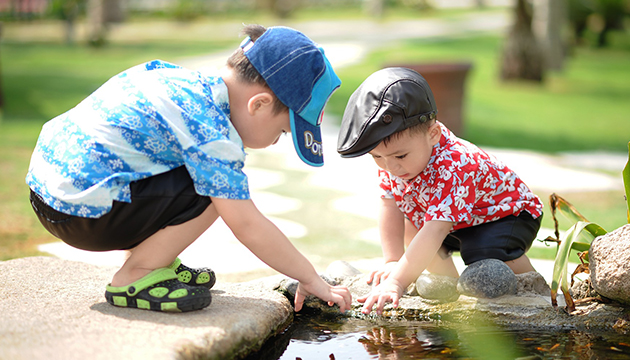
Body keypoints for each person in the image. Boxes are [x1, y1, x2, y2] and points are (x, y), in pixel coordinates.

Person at [26, 24, 351, 313]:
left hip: (50, 191)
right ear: (260, 104)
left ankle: (153, 261)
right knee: (218, 191)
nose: (274, 142)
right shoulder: (211, 131)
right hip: (81, 213)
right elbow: (247, 225)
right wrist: (309, 277)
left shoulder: (181, 82)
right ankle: (135, 275)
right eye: (282, 133)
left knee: (197, 173)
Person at [337, 67, 543, 315]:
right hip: (456, 220)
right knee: (413, 226)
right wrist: (393, 261)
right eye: (377, 157)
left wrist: (396, 282)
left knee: (482, 252)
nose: (390, 166)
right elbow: (389, 205)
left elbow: (436, 229)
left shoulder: (455, 164)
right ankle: (449, 291)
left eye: (400, 155)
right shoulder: (393, 162)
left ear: (433, 134)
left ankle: (534, 290)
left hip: (506, 215)